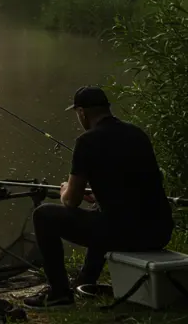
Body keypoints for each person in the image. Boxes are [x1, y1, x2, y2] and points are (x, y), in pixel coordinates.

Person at [22, 86, 175, 309]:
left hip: (126, 234)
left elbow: (71, 201)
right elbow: (133, 186)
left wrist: (66, 189)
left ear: (82, 112)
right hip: (159, 232)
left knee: (44, 215)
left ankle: (59, 293)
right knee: (103, 217)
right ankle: (86, 280)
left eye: (77, 114)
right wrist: (99, 195)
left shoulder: (87, 141)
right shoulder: (137, 134)